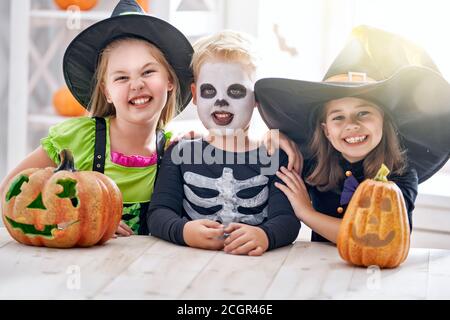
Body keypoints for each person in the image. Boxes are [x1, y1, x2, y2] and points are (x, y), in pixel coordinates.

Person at [0, 0, 194, 236]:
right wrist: (82, 219)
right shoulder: (77, 140)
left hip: (149, 269)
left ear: (170, 81)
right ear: (107, 92)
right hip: (84, 268)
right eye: (121, 78)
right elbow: (10, 193)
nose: (137, 84)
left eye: (148, 72)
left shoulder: (174, 152)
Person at [255, 25, 450, 243]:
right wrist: (270, 138)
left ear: (384, 122)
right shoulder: (313, 165)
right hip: (317, 271)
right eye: (338, 117)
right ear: (326, 130)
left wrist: (306, 212)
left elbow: (371, 238)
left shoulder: (400, 174)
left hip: (377, 274)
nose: (351, 125)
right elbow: (254, 169)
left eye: (363, 113)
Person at [147, 30, 301, 256]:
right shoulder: (179, 153)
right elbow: (159, 213)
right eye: (209, 90)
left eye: (235, 90)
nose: (221, 100)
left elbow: (287, 220)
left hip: (257, 269)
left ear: (257, 98)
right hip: (187, 268)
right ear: (195, 95)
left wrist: (266, 235)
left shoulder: (274, 156)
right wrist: (183, 231)